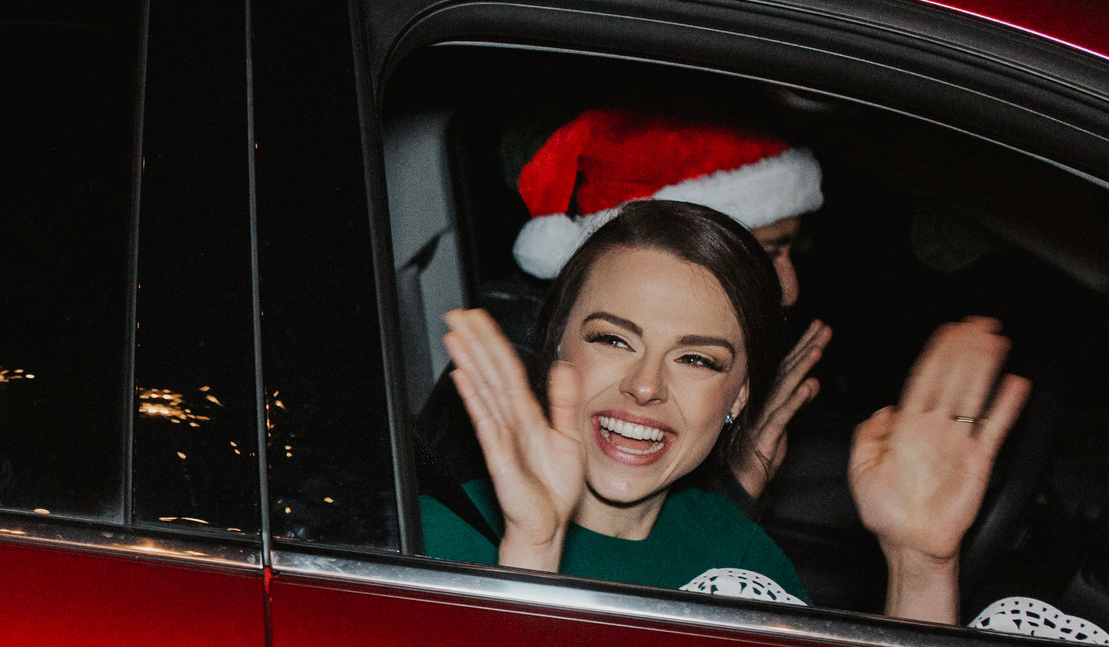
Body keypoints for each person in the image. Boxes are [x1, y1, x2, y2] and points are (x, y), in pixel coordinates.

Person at [427, 199, 1027, 624]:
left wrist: (921, 562)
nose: (645, 386)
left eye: (698, 360)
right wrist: (534, 553)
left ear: (740, 395)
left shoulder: (743, 559)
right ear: (558, 346)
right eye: (613, 340)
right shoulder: (435, 534)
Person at [510, 108, 831, 501]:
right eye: (612, 339)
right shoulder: (504, 393)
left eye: (697, 359)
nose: (789, 289)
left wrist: (733, 494)